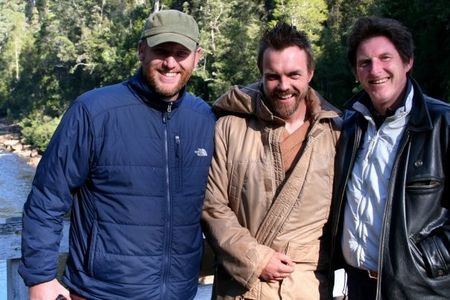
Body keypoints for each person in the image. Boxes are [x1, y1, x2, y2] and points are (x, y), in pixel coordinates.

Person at [19, 9, 216, 300]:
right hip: (100, 293)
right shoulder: (94, 111)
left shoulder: (205, 119)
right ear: (141, 51)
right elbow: (47, 198)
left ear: (197, 57)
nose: (171, 63)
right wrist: (40, 279)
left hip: (180, 293)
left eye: (181, 53)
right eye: (161, 50)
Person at [201, 22, 341, 300]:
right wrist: (255, 258)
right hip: (239, 287)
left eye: (294, 74)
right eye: (273, 76)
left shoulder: (336, 133)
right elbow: (211, 205)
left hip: (306, 288)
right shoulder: (230, 127)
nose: (284, 86)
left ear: (310, 73)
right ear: (261, 75)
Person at [329, 16, 450, 299]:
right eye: (365, 63)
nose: (375, 70)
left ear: (407, 62)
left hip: (418, 288)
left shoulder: (442, 124)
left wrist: (429, 259)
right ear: (356, 71)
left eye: (385, 58)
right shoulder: (349, 126)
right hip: (358, 286)